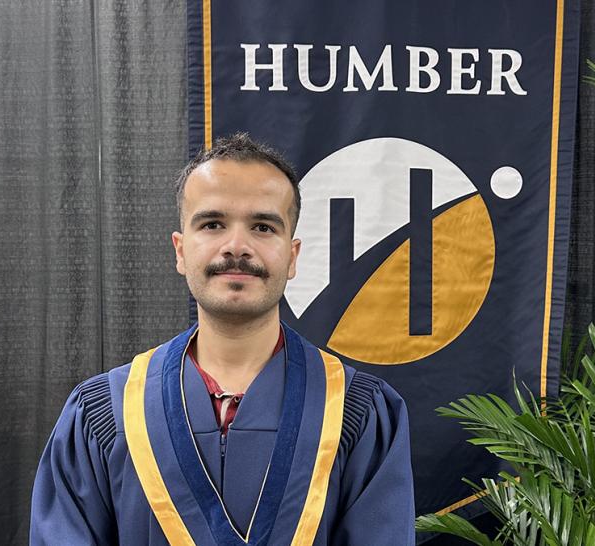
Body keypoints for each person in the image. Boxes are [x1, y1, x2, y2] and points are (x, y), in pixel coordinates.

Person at [30, 133, 415, 545]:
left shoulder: (357, 412)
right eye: (213, 224)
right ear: (180, 250)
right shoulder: (104, 413)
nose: (237, 247)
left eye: (263, 227)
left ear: (293, 255)